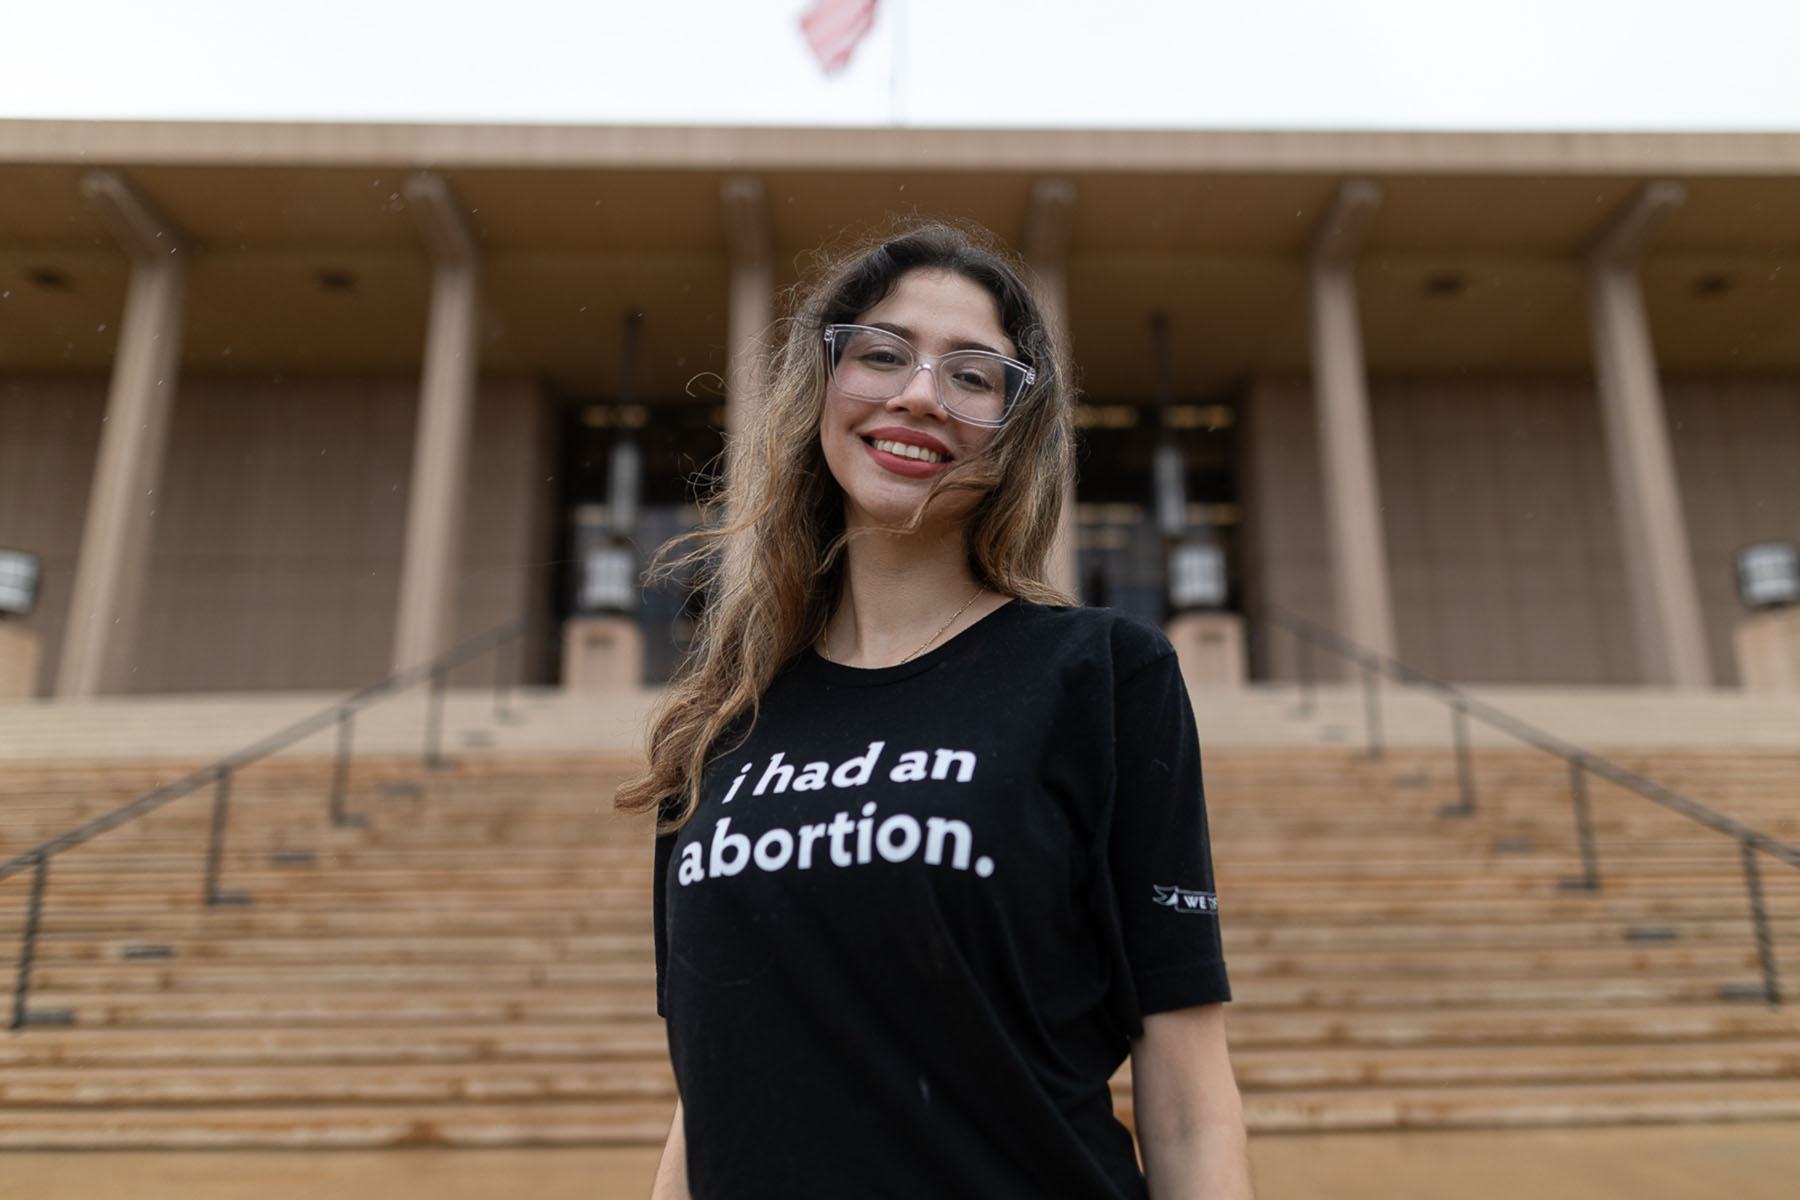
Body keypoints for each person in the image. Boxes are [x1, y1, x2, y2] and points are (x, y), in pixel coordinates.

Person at [615, 222, 1252, 1199]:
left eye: (973, 375)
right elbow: (707, 1097)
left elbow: (1189, 1098)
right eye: (881, 354)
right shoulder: (722, 722)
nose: (919, 394)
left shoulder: (1104, 678)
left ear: (1015, 424)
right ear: (820, 388)